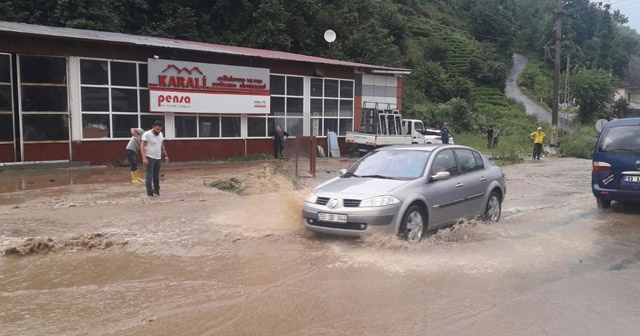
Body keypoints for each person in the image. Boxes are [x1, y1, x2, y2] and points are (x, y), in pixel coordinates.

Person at [141, 120, 169, 196]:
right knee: (149, 176)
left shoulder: (160, 134)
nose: (158, 131)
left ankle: (157, 191)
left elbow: (162, 145)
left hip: (158, 158)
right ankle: (149, 192)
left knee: (156, 176)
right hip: (149, 157)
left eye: (160, 129)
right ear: (153, 127)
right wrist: (144, 158)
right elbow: (142, 146)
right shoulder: (147, 134)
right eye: (157, 129)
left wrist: (165, 155)